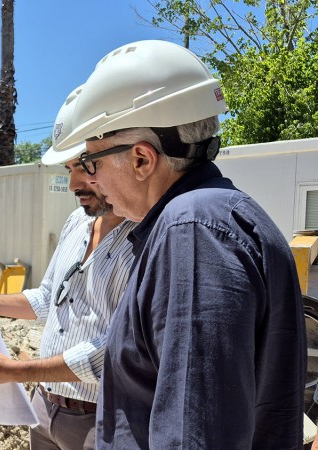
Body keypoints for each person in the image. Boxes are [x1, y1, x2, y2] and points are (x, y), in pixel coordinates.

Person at [52, 39, 306, 448]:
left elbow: (193, 432)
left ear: (141, 159)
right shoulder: (214, 217)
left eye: (92, 163)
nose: (90, 180)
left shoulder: (191, 232)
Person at [0, 87, 137, 450]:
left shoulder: (146, 237)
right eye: (69, 169)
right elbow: (46, 298)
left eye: (85, 168)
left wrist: (18, 371)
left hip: (99, 418)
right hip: (44, 408)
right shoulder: (76, 222)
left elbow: (114, 348)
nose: (74, 185)